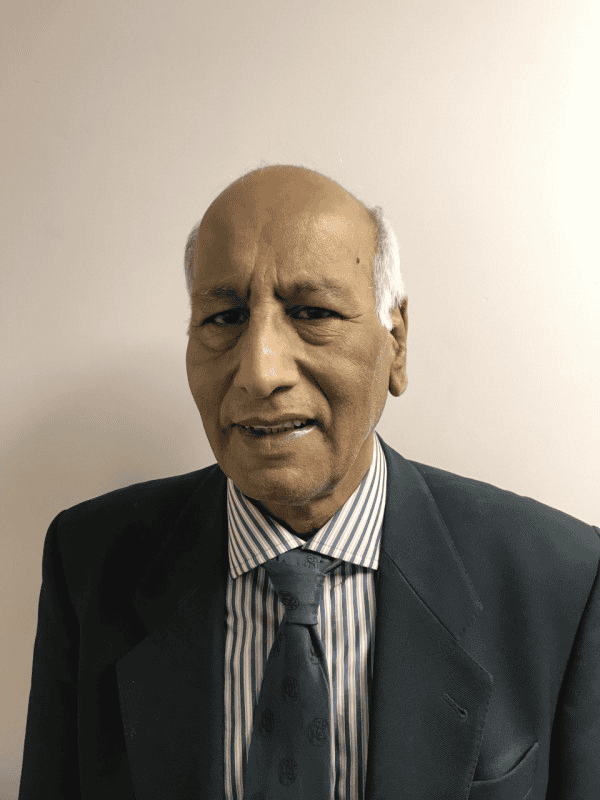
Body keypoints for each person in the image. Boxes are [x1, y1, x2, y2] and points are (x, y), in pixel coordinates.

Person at [18, 164, 600, 800]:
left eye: (313, 312)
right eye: (224, 318)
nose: (260, 371)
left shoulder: (560, 579)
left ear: (396, 342)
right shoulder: (89, 563)